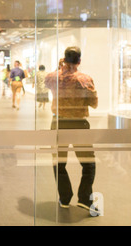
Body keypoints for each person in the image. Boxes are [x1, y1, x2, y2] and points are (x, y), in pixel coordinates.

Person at [44, 46, 99, 216]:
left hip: (58, 123)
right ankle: (85, 199)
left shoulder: (52, 77)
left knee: (59, 163)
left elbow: (48, 82)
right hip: (79, 124)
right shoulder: (85, 79)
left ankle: (65, 198)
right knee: (88, 164)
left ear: (64, 59)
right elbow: (94, 104)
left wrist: (60, 67)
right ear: (79, 61)